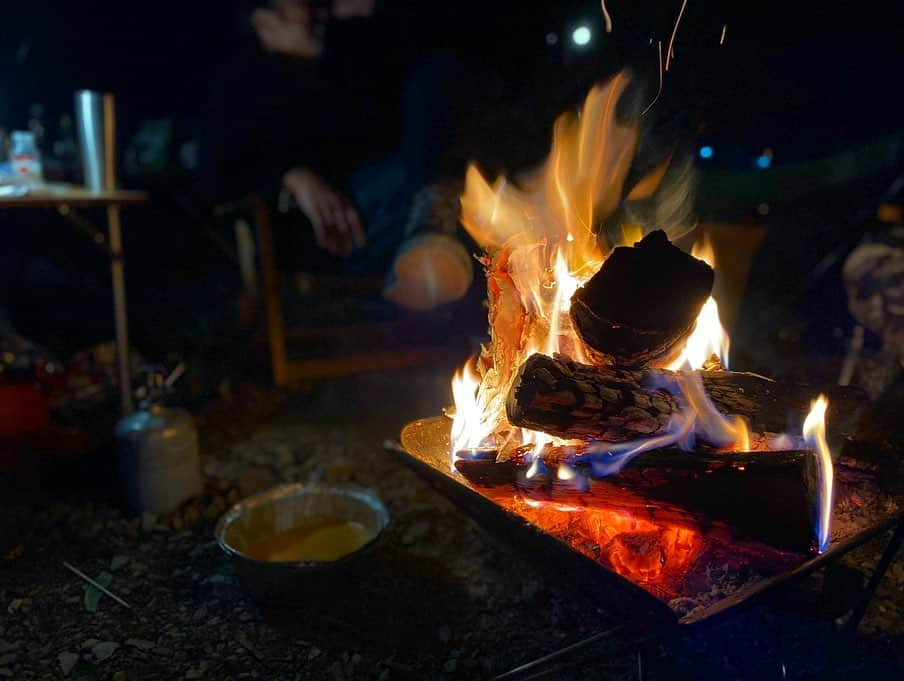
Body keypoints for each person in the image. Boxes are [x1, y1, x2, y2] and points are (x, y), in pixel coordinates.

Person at [207, 0, 480, 309]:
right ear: (265, 21)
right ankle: (429, 245)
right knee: (459, 182)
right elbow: (215, 173)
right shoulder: (242, 83)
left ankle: (429, 256)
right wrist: (290, 176)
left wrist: (367, 9)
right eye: (304, 6)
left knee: (442, 100)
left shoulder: (337, 64)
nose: (317, 11)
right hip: (328, 234)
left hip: (393, 202)